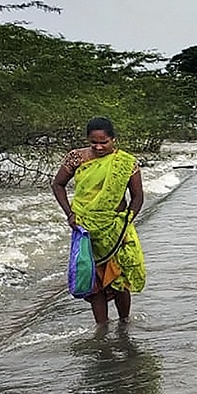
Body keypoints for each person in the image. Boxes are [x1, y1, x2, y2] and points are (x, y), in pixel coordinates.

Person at [52, 116, 146, 326]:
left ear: (114, 139)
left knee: (119, 279)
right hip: (85, 228)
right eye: (94, 142)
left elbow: (138, 196)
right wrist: (70, 214)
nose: (99, 146)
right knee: (94, 282)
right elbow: (58, 185)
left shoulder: (126, 163)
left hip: (116, 228)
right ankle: (101, 328)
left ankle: (124, 323)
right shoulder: (76, 158)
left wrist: (127, 220)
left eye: (104, 142)